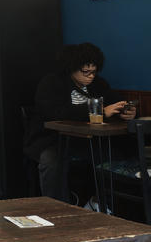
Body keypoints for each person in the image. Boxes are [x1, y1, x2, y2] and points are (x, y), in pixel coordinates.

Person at [24, 42, 136, 203]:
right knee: (52, 161)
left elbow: (115, 103)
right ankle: (56, 208)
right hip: (54, 141)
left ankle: (99, 203)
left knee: (118, 153)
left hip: (90, 141)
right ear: (71, 68)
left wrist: (127, 112)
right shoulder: (52, 83)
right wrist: (101, 111)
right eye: (85, 72)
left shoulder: (99, 84)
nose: (90, 76)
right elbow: (56, 113)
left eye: (93, 72)